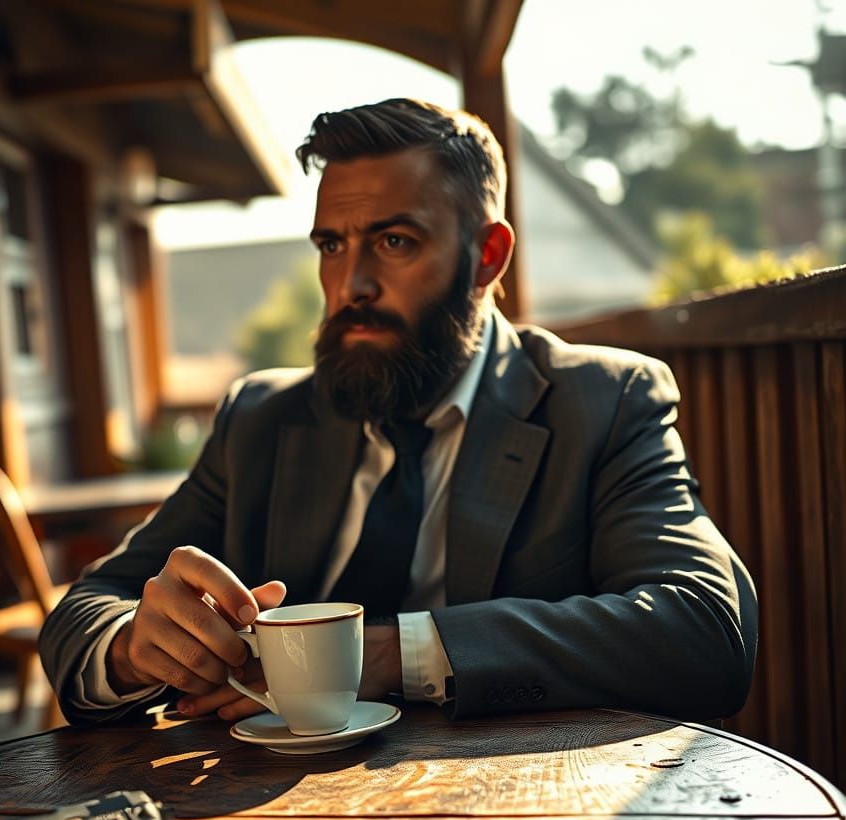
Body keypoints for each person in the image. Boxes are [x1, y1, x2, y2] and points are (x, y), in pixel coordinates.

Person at [39, 98, 757, 727]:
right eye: (331, 245)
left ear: (487, 256)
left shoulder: (604, 401)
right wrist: (133, 647)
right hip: (266, 802)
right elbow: (86, 607)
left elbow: (704, 631)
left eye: (394, 242)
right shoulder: (259, 419)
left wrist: (389, 656)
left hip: (517, 798)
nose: (351, 284)